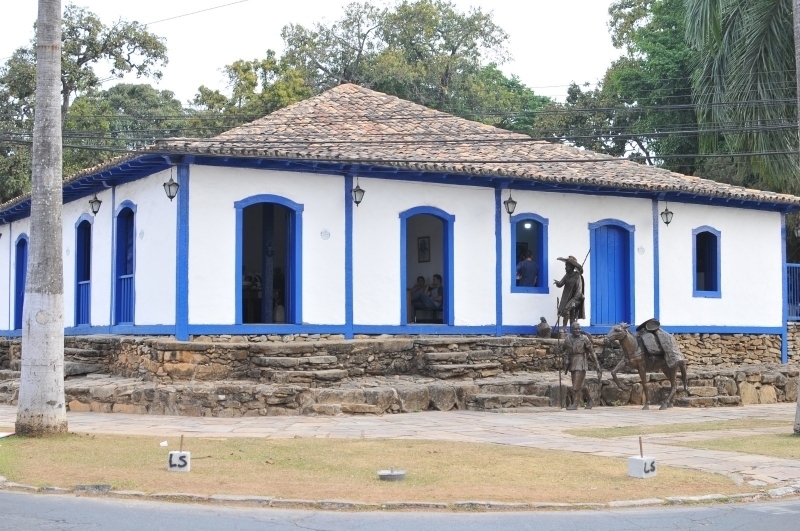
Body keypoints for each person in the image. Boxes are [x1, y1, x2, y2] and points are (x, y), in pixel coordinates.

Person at [561, 323, 602, 410]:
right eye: (576, 329)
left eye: (579, 329)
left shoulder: (584, 338)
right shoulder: (568, 338)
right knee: (581, 385)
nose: (578, 331)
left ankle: (575, 404)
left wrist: (597, 364)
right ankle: (590, 400)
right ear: (571, 329)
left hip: (581, 361)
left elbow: (592, 351)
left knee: (576, 384)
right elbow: (563, 350)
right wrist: (565, 357)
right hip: (572, 361)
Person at [554, 255, 585, 328]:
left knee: (566, 309)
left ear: (572, 267)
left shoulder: (577, 276)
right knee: (571, 314)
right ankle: (572, 329)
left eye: (567, 266)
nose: (565, 267)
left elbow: (579, 290)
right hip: (568, 297)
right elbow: (561, 283)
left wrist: (574, 300)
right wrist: (557, 283)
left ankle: (564, 328)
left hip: (576, 298)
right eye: (565, 266)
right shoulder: (567, 275)